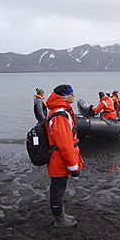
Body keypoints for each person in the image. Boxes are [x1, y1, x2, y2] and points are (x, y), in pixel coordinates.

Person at [45, 84, 84, 228]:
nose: (74, 96)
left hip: (59, 159)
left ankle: (61, 215)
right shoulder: (61, 115)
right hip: (59, 160)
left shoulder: (58, 111)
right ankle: (59, 220)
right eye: (71, 94)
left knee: (59, 189)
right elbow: (65, 144)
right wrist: (73, 167)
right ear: (64, 96)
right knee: (57, 190)